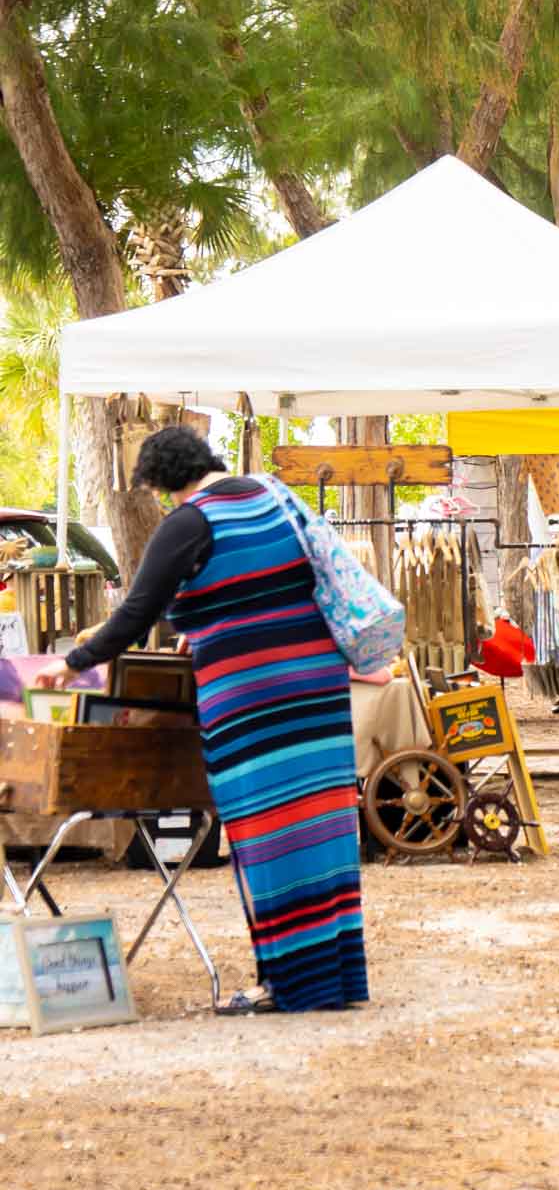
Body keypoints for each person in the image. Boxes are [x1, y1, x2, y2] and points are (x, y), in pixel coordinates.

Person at [41, 425, 370, 1014]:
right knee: (321, 831)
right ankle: (337, 979)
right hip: (317, 690)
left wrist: (74, 664)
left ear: (167, 482)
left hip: (254, 701)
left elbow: (136, 614)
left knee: (266, 837)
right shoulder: (274, 497)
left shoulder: (191, 521)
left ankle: (288, 985)